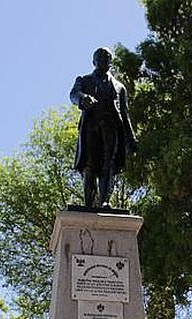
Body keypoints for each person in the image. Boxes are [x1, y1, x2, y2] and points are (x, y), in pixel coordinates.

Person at [69, 47, 137, 208]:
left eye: (107, 57)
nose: (104, 59)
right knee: (90, 164)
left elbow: (125, 114)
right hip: (91, 126)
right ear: (94, 62)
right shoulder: (84, 80)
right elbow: (73, 94)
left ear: (110, 62)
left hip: (112, 128)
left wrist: (131, 138)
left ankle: (104, 201)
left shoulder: (119, 87)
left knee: (109, 164)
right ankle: (88, 203)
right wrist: (83, 98)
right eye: (100, 57)